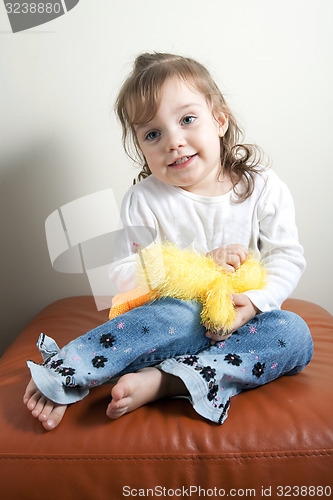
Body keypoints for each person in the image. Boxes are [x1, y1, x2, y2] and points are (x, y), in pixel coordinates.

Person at [24, 52, 313, 430]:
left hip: (240, 327)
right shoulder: (143, 200)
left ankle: (168, 382)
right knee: (179, 314)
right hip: (171, 329)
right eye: (153, 133)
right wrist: (201, 265)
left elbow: (286, 257)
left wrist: (255, 305)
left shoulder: (261, 187)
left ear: (220, 120)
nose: (173, 142)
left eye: (188, 120)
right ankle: (68, 371)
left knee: (295, 333)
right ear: (141, 147)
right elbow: (124, 274)